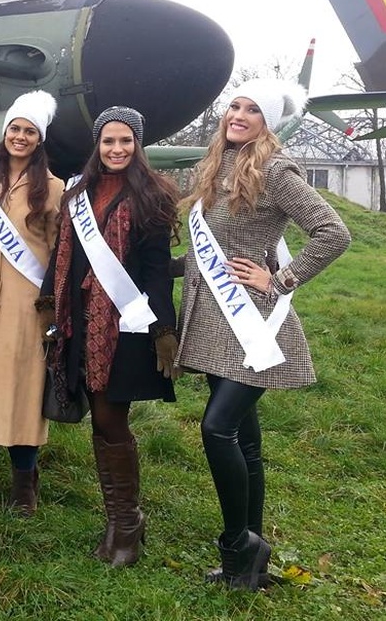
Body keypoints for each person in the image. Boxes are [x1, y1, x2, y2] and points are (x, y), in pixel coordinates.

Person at [175, 78, 351, 589]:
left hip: (252, 324)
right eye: (234, 105)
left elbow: (333, 232)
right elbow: (209, 252)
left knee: (217, 429)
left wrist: (280, 279)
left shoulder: (275, 170)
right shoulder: (215, 165)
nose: (238, 115)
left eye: (252, 109)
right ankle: (251, 558)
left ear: (267, 122)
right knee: (244, 439)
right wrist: (156, 268)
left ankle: (237, 546)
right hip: (213, 322)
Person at [39, 106, 181, 566]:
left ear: (137, 145)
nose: (116, 149)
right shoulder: (78, 193)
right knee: (99, 421)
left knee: (110, 417)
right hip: (81, 319)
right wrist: (48, 304)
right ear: (97, 145)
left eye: (125, 141)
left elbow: (157, 269)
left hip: (125, 322)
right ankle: (121, 521)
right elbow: (62, 255)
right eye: (108, 141)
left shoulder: (152, 194)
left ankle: (126, 523)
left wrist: (163, 327)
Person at [0, 90, 64, 516]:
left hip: (28, 301)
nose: (20, 137)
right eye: (15, 128)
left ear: (39, 139)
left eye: (29, 131)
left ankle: (25, 481)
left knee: (25, 386)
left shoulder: (53, 188)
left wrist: (52, 305)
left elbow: (60, 251)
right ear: (5, 131)